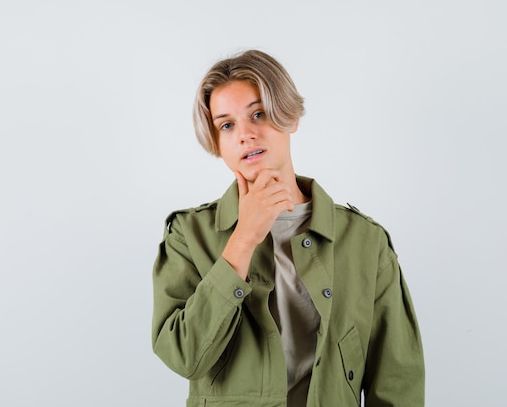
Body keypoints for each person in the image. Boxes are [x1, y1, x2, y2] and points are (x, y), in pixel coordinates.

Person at [151, 49, 424, 407]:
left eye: (258, 114)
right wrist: (244, 237)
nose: (245, 135)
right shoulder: (188, 235)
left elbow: (396, 380)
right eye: (227, 125)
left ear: (290, 117)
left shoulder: (365, 241)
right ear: (217, 143)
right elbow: (185, 356)